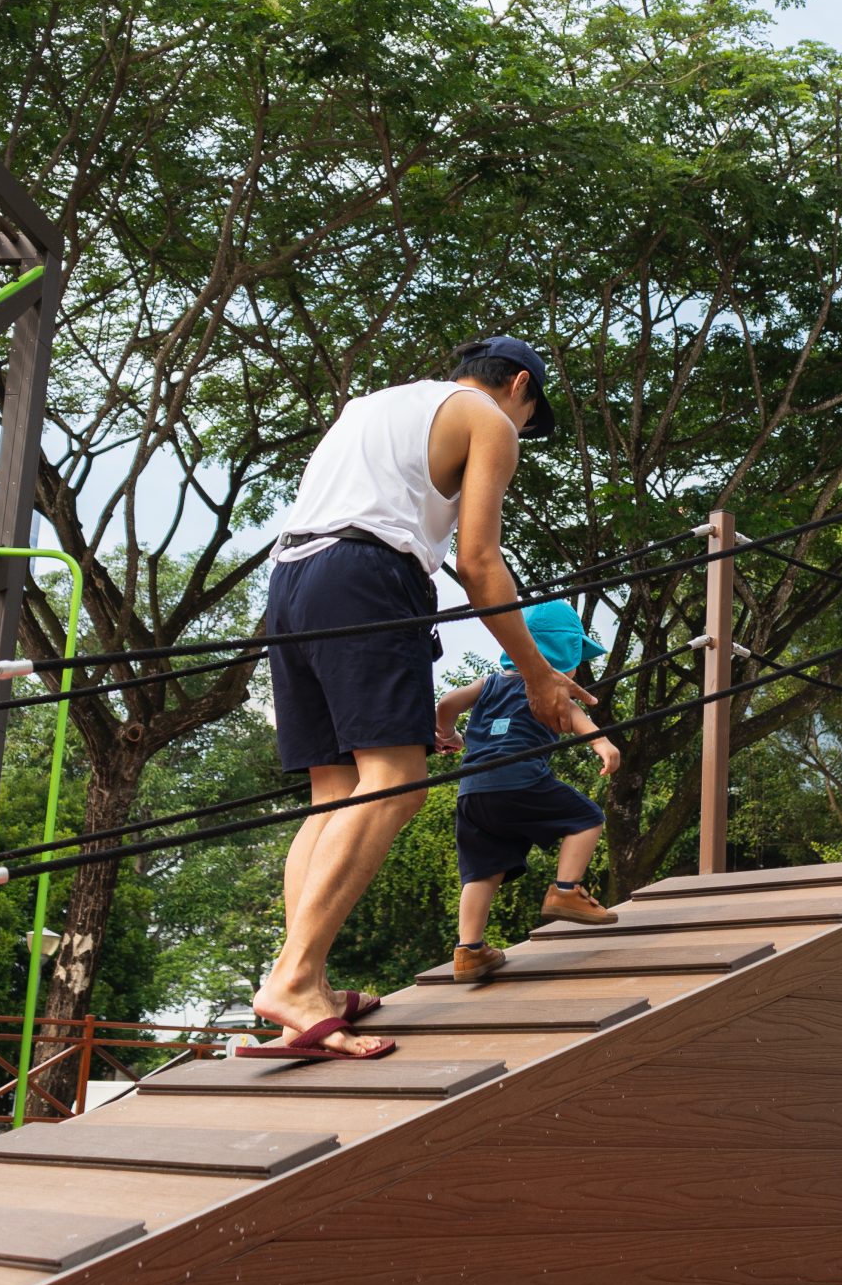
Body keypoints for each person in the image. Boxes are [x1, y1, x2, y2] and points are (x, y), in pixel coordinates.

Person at [244, 337, 591, 1060]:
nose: (522, 430)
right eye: (531, 415)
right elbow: (477, 560)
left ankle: (302, 988)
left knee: (334, 792)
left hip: (290, 583)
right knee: (396, 784)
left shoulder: (370, 406)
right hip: (367, 576)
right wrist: (537, 674)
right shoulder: (486, 418)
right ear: (518, 385)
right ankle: (295, 976)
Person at [434, 601, 622, 980]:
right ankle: (565, 890)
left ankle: (469, 951)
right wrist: (605, 747)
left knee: (482, 871)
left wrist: (446, 734)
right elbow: (576, 716)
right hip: (519, 779)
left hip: (472, 792)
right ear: (564, 652)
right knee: (587, 819)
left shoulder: (489, 683)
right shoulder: (551, 688)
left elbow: (446, 703)